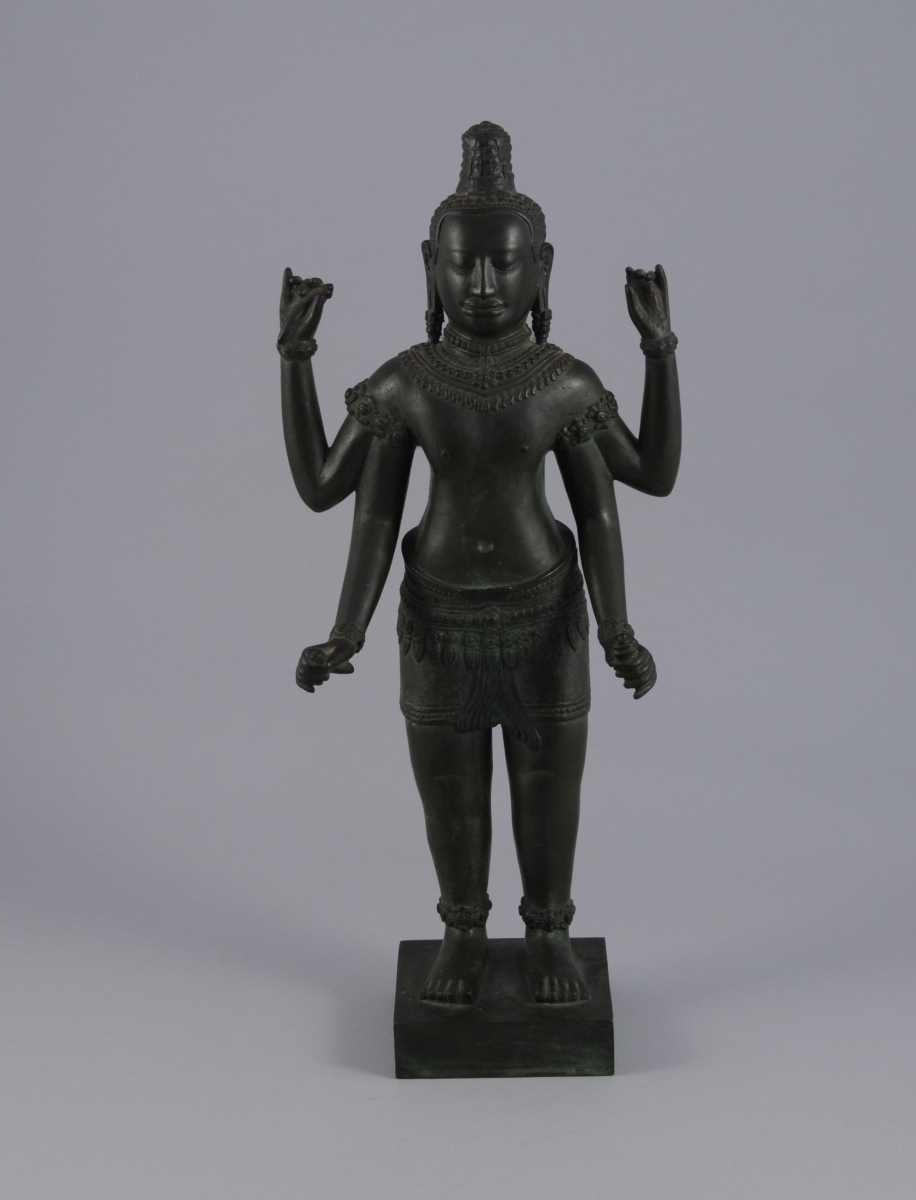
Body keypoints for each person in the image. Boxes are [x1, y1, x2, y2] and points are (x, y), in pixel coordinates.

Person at [279, 122, 681, 1004]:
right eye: (464, 266)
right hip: (439, 620)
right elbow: (347, 500)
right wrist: (295, 358)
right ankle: (462, 928)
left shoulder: (561, 381)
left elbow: (628, 490)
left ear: (542, 267)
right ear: (432, 267)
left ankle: (548, 932)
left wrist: (660, 351)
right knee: (450, 792)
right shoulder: (408, 381)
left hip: (546, 616)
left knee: (547, 786)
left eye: (506, 264)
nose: (486, 285)